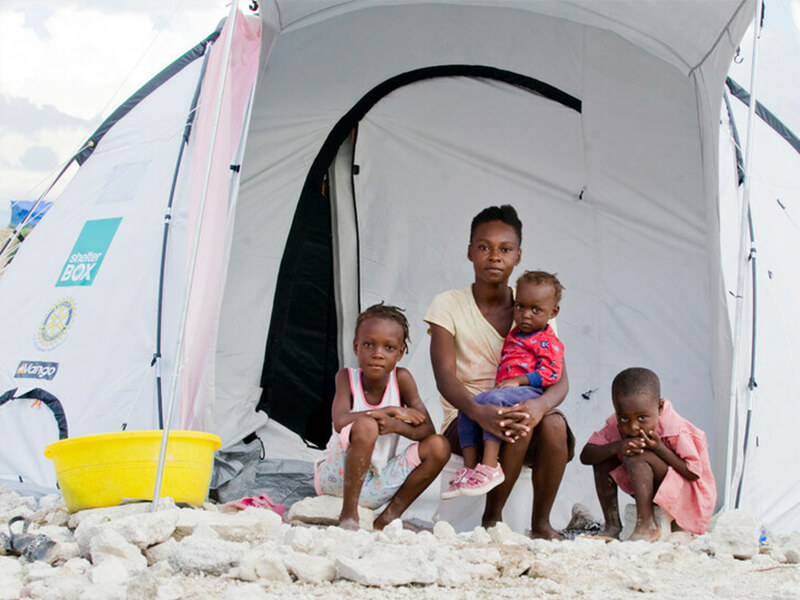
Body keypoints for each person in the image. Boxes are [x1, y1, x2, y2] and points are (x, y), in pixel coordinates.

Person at [425, 205, 574, 539]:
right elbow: (445, 377)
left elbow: (560, 380)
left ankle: (541, 523)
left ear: (518, 256)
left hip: (518, 409)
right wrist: (480, 412)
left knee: (551, 422)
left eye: (505, 249)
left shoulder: (536, 306)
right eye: (484, 247)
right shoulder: (447, 305)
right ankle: (492, 518)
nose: (494, 256)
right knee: (511, 417)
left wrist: (539, 406)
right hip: (465, 418)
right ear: (469, 252)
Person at [314, 303, 450, 530]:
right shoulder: (347, 377)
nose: (377, 354)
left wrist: (396, 425)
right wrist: (388, 411)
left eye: (388, 347)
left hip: (377, 484)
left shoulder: (402, 379)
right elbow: (340, 422)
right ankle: (348, 515)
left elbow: (427, 431)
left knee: (440, 446)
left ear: (400, 353)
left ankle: (384, 520)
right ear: (356, 347)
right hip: (336, 479)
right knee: (366, 425)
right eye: (369, 345)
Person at [444, 270, 565, 498]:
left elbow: (552, 373)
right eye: (520, 307)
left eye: (535, 310)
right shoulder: (517, 333)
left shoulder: (548, 340)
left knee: (493, 402)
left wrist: (519, 380)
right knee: (469, 406)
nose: (526, 314)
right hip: (508, 390)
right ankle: (469, 468)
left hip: (529, 391)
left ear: (553, 312)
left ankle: (489, 466)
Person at [580, 367, 716, 541]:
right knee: (603, 456)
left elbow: (693, 473)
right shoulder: (617, 423)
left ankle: (646, 526)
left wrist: (659, 448)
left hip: (689, 496)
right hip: (654, 488)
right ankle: (612, 525)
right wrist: (617, 446)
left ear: (659, 408)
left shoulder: (675, 429)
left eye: (642, 418)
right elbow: (586, 456)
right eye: (624, 418)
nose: (633, 427)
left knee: (637, 454)